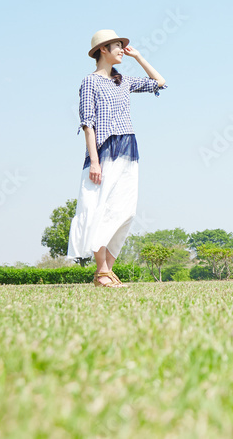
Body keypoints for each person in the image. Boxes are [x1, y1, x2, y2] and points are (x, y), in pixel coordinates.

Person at [67, 29, 167, 287]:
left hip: (128, 148)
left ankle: (105, 272)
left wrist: (140, 57)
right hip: (104, 149)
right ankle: (102, 272)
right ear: (103, 49)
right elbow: (88, 123)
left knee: (125, 211)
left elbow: (160, 81)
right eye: (117, 46)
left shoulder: (124, 81)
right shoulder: (89, 82)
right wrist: (95, 160)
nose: (122, 49)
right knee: (98, 208)